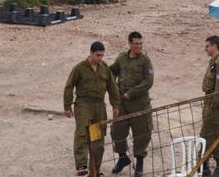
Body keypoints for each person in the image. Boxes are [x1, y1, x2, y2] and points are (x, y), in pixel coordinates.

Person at [64, 40, 120, 177]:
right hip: (83, 104)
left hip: (99, 106)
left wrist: (115, 105)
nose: (100, 58)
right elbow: (69, 86)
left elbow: (112, 86)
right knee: (82, 133)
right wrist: (67, 106)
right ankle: (81, 166)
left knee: (97, 138)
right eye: (97, 55)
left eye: (102, 55)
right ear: (90, 53)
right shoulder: (80, 68)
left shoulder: (104, 68)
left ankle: (95, 169)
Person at [110, 31, 154, 176]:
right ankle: (123, 158)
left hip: (139, 103)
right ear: (129, 43)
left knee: (141, 133)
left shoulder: (145, 60)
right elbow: (111, 72)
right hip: (122, 102)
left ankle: (139, 164)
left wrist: (131, 93)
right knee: (117, 131)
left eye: (141, 43)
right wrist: (114, 87)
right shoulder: (121, 58)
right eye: (136, 44)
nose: (139, 46)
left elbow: (149, 81)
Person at [200, 35, 219, 176]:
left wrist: (214, 105)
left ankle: (203, 164)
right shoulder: (213, 63)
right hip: (209, 102)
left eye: (207, 46)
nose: (205, 49)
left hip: (214, 105)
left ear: (215, 46)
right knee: (214, 132)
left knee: (205, 134)